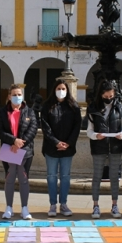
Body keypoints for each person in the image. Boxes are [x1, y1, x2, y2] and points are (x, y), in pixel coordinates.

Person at [0, 84, 38, 221]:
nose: (17, 97)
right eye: (14, 94)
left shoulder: (29, 112)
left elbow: (33, 129)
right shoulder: (2, 112)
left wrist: (21, 142)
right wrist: (13, 141)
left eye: (19, 94)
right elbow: (0, 131)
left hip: (25, 151)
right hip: (9, 150)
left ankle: (24, 208)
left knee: (24, 179)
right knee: (9, 178)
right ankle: (9, 207)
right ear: (9, 96)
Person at [87, 80, 122, 219]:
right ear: (101, 95)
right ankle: (95, 205)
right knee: (97, 176)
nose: (109, 99)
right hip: (99, 146)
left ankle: (114, 205)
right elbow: (89, 130)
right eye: (106, 97)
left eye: (111, 96)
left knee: (114, 177)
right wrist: (95, 136)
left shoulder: (120, 108)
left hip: (115, 146)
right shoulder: (93, 108)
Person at [41, 79, 82, 217]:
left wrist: (68, 143)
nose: (61, 91)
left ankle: (63, 204)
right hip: (51, 148)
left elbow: (77, 126)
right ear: (54, 89)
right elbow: (45, 128)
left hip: (68, 149)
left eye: (64, 89)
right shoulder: (47, 106)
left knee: (65, 176)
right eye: (59, 88)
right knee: (51, 176)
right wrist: (56, 142)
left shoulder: (73, 106)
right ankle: (53, 204)